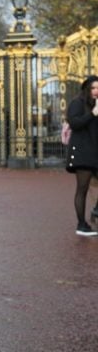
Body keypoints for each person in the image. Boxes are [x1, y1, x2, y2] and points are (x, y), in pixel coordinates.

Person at [65, 75, 98, 236]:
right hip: (82, 152)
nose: (96, 91)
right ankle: (81, 224)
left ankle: (96, 210)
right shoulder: (77, 103)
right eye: (93, 88)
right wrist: (93, 113)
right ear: (87, 89)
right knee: (82, 189)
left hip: (95, 152)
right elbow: (74, 123)